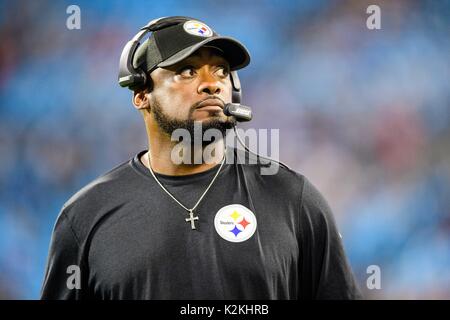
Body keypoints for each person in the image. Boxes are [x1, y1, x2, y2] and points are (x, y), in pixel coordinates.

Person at [40, 16, 362, 300]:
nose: (211, 84)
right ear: (141, 94)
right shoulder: (86, 216)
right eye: (187, 71)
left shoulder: (293, 199)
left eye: (221, 71)